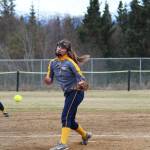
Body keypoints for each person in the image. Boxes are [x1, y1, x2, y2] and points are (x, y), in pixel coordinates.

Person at [44, 39, 92, 150]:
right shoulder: (53, 62)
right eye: (58, 46)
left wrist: (81, 82)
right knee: (70, 120)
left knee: (65, 117)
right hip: (68, 93)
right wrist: (47, 80)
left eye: (62, 47)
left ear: (67, 51)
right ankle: (85, 135)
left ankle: (63, 144)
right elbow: (49, 78)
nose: (59, 48)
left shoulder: (70, 62)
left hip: (76, 92)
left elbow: (80, 76)